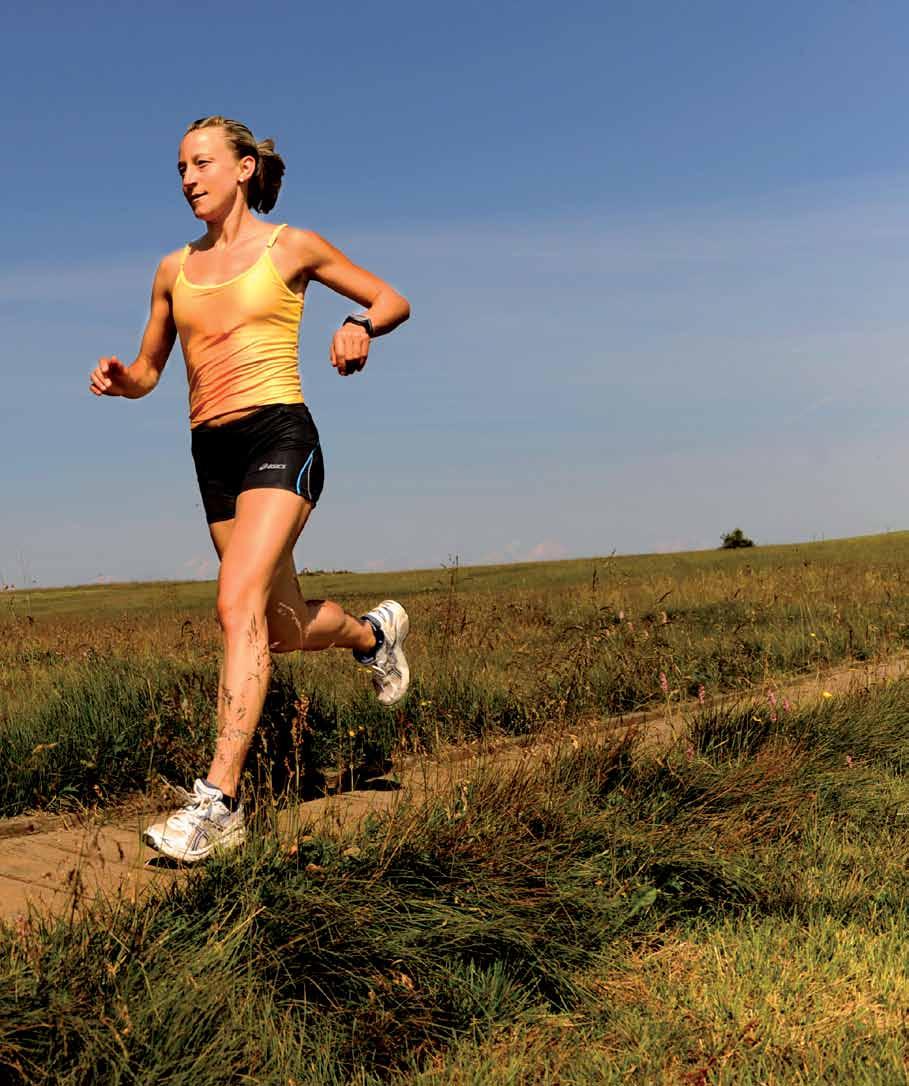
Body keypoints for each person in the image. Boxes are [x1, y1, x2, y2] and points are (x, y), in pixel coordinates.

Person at [89, 116, 411, 863]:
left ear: (241, 168)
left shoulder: (289, 246)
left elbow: (391, 298)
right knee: (280, 628)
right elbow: (150, 370)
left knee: (236, 605)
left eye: (201, 163)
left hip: (279, 437)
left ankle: (219, 802)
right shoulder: (172, 269)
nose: (187, 179)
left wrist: (359, 325)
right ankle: (373, 635)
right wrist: (123, 380)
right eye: (179, 168)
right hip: (212, 455)